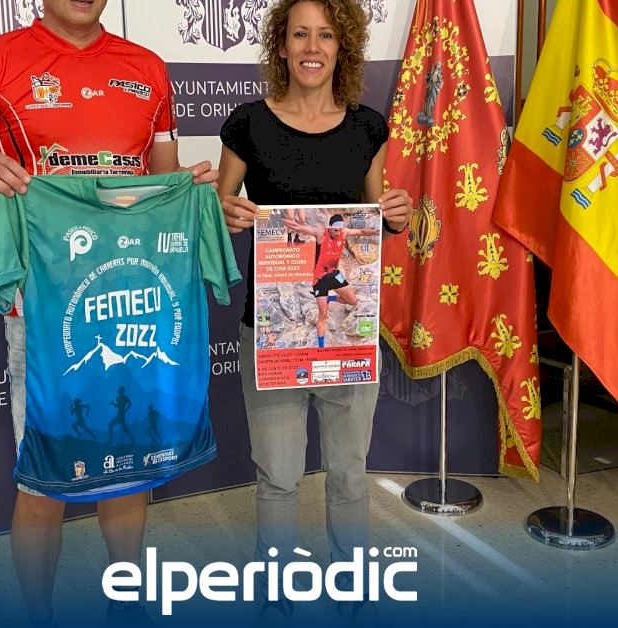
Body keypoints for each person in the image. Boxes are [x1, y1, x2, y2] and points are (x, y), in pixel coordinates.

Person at [0, 1, 217, 624]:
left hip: (133, 299)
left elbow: (161, 190)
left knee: (130, 468)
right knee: (44, 483)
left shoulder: (146, 68)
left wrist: (192, 195)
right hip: (44, 311)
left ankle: (127, 605)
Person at [216, 0, 411, 620]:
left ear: (340, 47)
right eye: (299, 33)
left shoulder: (368, 128)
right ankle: (277, 593)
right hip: (272, 333)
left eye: (325, 35)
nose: (311, 46)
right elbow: (217, 211)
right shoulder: (247, 124)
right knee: (277, 476)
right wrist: (224, 212)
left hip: (349, 340)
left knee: (349, 474)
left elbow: (376, 220)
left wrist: (397, 217)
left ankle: (351, 588)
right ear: (281, 45)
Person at [282, 212, 380, 347]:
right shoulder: (321, 234)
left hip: (334, 275)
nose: (338, 233)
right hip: (320, 279)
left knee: (352, 301)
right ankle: (321, 346)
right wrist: (283, 221)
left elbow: (362, 231)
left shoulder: (344, 232)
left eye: (340, 230)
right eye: (335, 230)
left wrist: (375, 232)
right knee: (323, 314)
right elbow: (300, 228)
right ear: (330, 227)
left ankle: (330, 298)